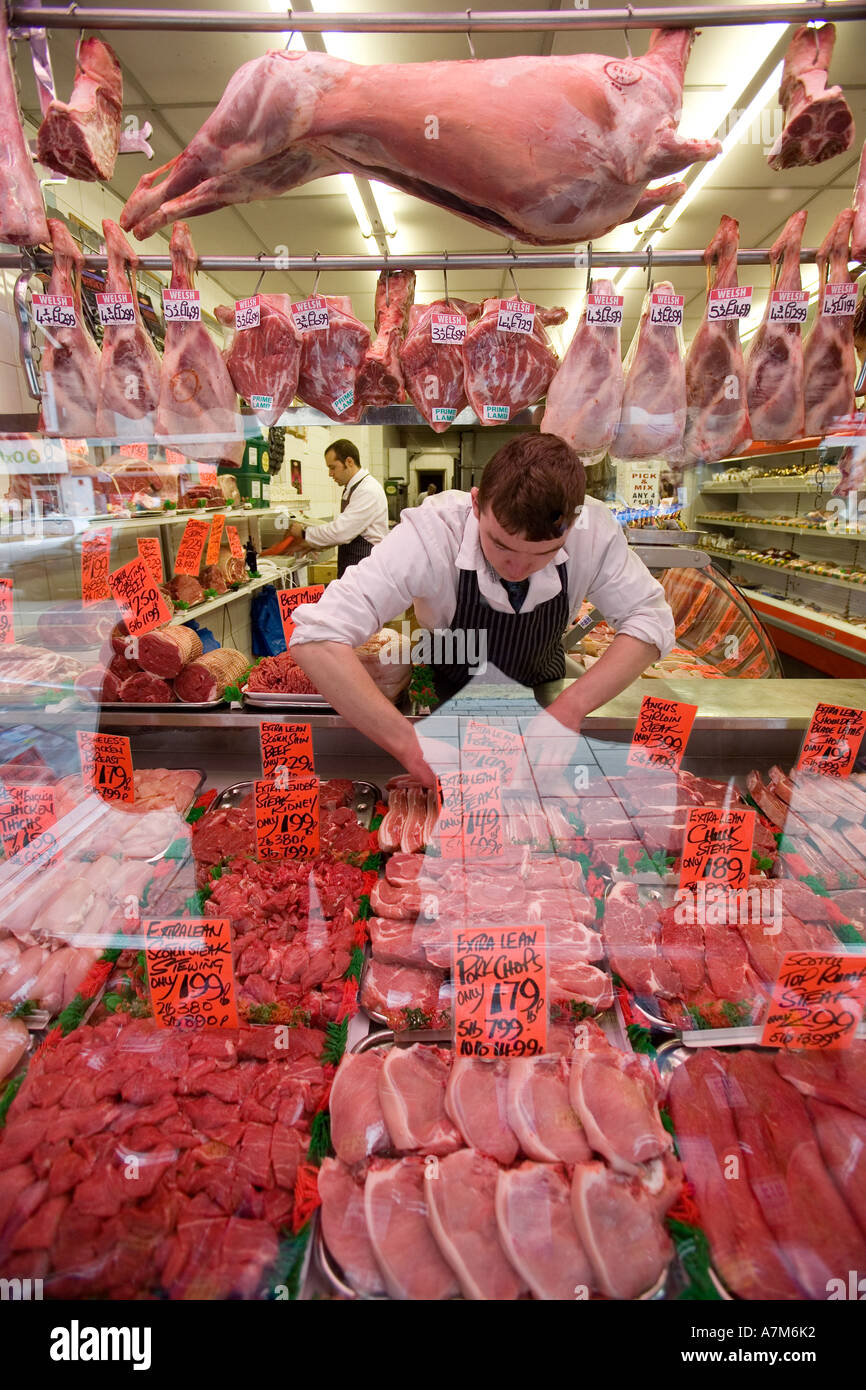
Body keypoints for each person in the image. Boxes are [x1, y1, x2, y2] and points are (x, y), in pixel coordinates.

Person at [290, 433, 675, 786]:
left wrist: (571, 708)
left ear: (573, 525)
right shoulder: (433, 532)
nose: (518, 569)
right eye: (502, 546)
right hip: (449, 700)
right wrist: (411, 746)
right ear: (476, 503)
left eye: (543, 554)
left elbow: (651, 619)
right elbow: (317, 637)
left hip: (543, 700)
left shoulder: (596, 531)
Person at [287, 439, 388, 576]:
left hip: (365, 570)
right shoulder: (353, 488)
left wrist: (304, 532)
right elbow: (346, 531)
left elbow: (341, 532)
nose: (330, 473)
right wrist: (314, 544)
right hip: (355, 569)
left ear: (349, 462)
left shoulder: (367, 490)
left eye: (332, 467)